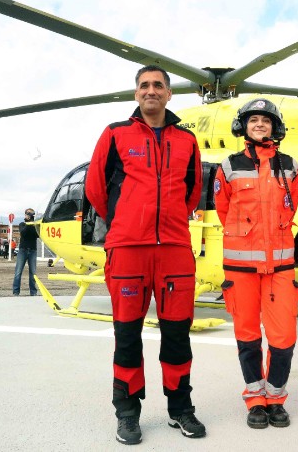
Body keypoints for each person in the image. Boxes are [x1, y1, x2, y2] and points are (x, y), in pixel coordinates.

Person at [85, 65, 205, 445]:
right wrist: (126, 223)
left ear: (169, 94)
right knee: (127, 336)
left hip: (174, 250)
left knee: (177, 335)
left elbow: (192, 192)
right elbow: (95, 188)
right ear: (136, 94)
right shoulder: (115, 134)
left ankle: (180, 407)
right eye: (144, 85)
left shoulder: (187, 140)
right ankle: (127, 412)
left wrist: (167, 224)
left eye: (158, 85)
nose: (151, 90)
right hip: (128, 251)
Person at [214, 98, 298, 429]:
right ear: (244, 127)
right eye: (254, 120)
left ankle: (276, 397)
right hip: (240, 272)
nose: (260, 124)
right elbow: (224, 209)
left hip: (280, 270)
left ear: (275, 127)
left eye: (266, 120)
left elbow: (292, 208)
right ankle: (255, 399)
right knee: (247, 336)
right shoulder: (230, 165)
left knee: (284, 337)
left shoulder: (290, 165)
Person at [12, 208, 38, 296]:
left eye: (30, 214)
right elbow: (23, 233)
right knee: (18, 272)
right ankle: (16, 292)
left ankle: (33, 292)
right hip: (22, 250)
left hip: (33, 250)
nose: (28, 215)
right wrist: (28, 223)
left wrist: (33, 223)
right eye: (27, 213)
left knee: (33, 273)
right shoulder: (22, 224)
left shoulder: (36, 225)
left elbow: (37, 234)